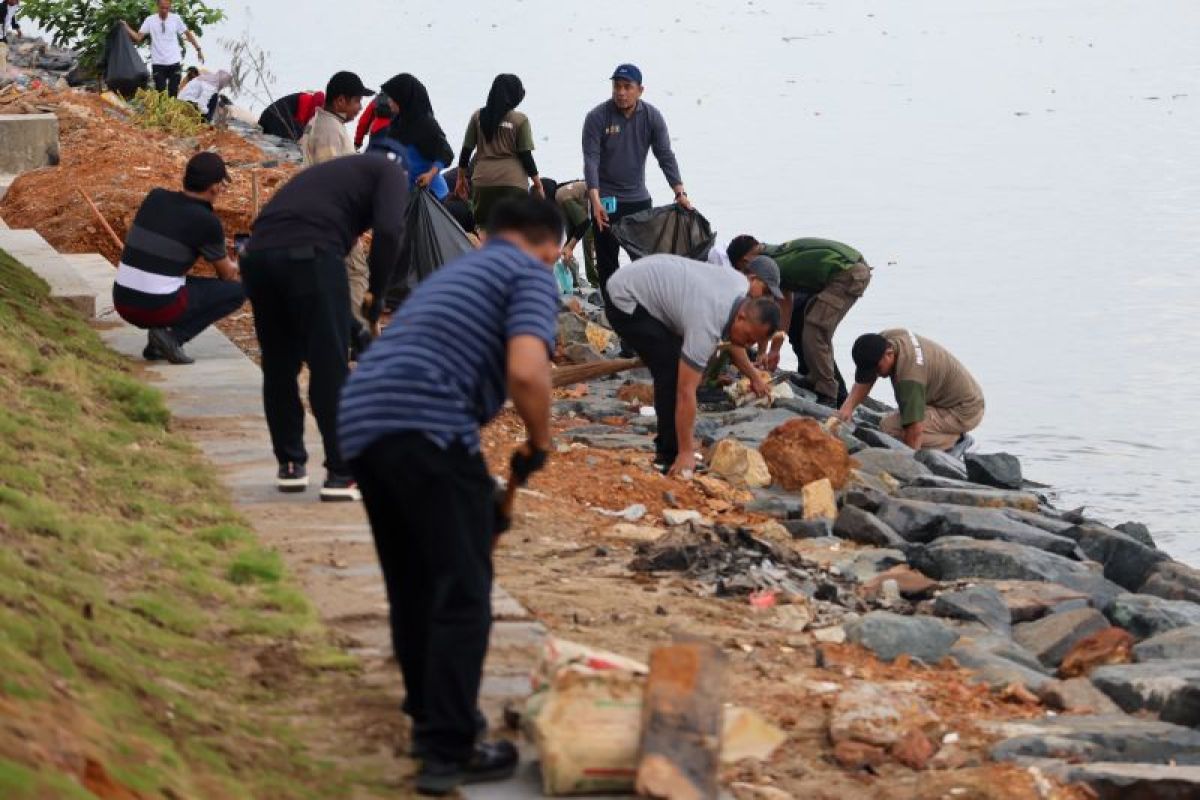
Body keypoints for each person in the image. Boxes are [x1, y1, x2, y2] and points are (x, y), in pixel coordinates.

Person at [338, 197, 562, 795]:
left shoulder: (460, 269)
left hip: (361, 419)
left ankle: (428, 721)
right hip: (427, 425)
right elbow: (527, 370)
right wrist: (541, 441)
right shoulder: (531, 274)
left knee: (413, 583)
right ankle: (449, 748)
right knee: (463, 589)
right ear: (551, 248)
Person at [241, 146, 409, 500]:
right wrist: (377, 293)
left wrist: (353, 328)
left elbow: (323, 302)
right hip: (311, 257)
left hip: (258, 257)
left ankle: (289, 465)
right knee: (329, 366)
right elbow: (391, 231)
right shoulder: (391, 174)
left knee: (279, 365)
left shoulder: (332, 179)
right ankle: (341, 472)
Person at [603, 254, 781, 476]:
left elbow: (736, 343)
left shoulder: (738, 287)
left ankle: (677, 446)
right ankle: (670, 455)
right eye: (748, 338)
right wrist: (687, 451)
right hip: (624, 297)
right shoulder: (706, 322)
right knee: (671, 371)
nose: (748, 344)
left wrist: (754, 376)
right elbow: (685, 391)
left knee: (679, 359)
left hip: (648, 282)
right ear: (742, 317)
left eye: (753, 342)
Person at [112, 152, 243, 365]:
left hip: (123, 300)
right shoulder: (207, 222)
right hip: (154, 306)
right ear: (216, 188)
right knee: (239, 290)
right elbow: (227, 275)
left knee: (171, 280)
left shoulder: (155, 197)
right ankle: (172, 338)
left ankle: (157, 344)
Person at [582, 63, 691, 291]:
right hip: (605, 200)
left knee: (643, 260)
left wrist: (679, 192)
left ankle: (645, 305)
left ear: (640, 90)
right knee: (607, 260)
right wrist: (595, 200)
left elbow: (665, 156)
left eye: (626, 87)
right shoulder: (597, 117)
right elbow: (590, 160)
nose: (620, 92)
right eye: (616, 86)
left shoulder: (652, 116)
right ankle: (611, 309)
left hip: (638, 199)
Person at [727, 235, 871, 406]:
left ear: (745, 260)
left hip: (848, 274)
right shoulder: (772, 255)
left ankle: (828, 394)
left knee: (815, 329)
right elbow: (785, 304)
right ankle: (815, 378)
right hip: (847, 269)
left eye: (742, 270)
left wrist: (771, 351)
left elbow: (777, 307)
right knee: (807, 324)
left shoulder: (768, 265)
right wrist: (770, 350)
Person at [840, 329, 985, 452]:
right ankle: (942, 430)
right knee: (894, 420)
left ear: (889, 354)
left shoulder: (909, 377)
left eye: (876, 370)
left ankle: (956, 441)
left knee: (890, 429)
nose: (875, 375)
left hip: (964, 410)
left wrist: (908, 464)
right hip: (945, 397)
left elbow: (913, 430)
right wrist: (847, 408)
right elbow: (866, 380)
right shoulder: (889, 337)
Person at [456, 74, 543, 228]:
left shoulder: (478, 117)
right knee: (515, 230)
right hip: (512, 183)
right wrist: (538, 184)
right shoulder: (520, 120)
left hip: (483, 182)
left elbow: (466, 151)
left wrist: (460, 179)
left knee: (484, 229)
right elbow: (526, 156)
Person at [378, 73, 454, 199]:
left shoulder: (426, 125)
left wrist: (430, 174)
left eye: (392, 98)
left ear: (403, 99)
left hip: (433, 196)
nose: (389, 102)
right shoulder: (397, 122)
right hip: (408, 194)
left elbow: (445, 153)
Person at [122, 0, 203, 98]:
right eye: (162, 8)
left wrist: (198, 49)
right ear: (157, 6)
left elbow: (188, 34)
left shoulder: (175, 19)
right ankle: (161, 112)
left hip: (174, 62)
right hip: (158, 63)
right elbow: (138, 38)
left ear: (170, 7)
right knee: (161, 93)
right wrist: (125, 26)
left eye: (167, 8)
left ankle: (172, 113)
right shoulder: (150, 20)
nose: (164, 10)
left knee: (173, 92)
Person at [300, 71, 374, 166]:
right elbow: (329, 173)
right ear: (340, 101)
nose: (360, 107)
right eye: (357, 101)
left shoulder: (318, 121)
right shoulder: (329, 131)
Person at [257, 90, 325, 141]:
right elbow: (304, 123)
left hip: (268, 119)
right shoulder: (307, 100)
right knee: (299, 135)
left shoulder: (312, 102)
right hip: (271, 120)